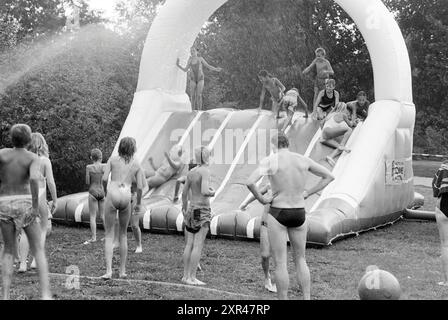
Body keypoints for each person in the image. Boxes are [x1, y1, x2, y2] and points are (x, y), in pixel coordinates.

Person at [246, 132, 334, 300]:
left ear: (273, 145)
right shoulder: (302, 159)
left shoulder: (271, 161)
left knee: (280, 262)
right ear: (287, 144)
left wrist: (262, 198)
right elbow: (329, 176)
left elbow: (250, 182)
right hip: (299, 211)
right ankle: (306, 298)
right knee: (301, 259)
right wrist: (309, 192)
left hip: (279, 211)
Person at [0, 124, 52, 299]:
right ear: (28, 139)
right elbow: (33, 179)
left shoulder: (2, 154)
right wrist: (36, 206)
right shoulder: (32, 157)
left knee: (7, 249)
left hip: (4, 203)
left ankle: (5, 295)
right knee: (38, 249)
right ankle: (45, 294)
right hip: (24, 201)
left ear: (11, 138)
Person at [101, 137, 144, 279]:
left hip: (113, 191)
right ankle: (122, 271)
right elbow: (139, 186)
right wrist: (138, 203)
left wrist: (105, 190)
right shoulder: (136, 163)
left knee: (109, 234)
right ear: (133, 148)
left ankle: (108, 271)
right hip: (126, 194)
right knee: (124, 234)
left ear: (120, 147)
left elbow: (104, 178)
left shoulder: (112, 160)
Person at [18, 132, 57, 273]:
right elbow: (51, 182)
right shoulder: (45, 161)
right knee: (42, 230)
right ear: (42, 144)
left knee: (24, 231)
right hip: (40, 196)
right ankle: (35, 260)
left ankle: (22, 264)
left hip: (25, 196)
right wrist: (55, 200)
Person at [181, 146, 215, 286]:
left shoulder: (191, 172)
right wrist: (212, 192)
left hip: (191, 208)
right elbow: (204, 190)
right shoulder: (205, 171)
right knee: (198, 245)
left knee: (189, 244)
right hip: (202, 210)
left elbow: (184, 193)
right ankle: (192, 277)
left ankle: (185, 276)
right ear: (207, 157)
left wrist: (184, 208)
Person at [240, 183, 277, 293]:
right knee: (265, 255)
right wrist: (245, 203)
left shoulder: (287, 187)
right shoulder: (269, 185)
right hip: (265, 224)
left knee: (277, 256)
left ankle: (275, 282)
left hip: (280, 226)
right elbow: (257, 193)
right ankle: (267, 277)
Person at [320, 102, 355, 167]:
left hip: (323, 137)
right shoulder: (342, 115)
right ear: (344, 108)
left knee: (341, 149)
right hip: (328, 132)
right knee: (349, 129)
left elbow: (321, 123)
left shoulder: (331, 114)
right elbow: (351, 125)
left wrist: (324, 132)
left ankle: (330, 156)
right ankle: (342, 145)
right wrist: (353, 116)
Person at [83, 148, 105, 245]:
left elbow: (87, 182)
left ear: (92, 157)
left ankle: (94, 237)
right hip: (102, 192)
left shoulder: (89, 167)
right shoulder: (104, 166)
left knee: (93, 216)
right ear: (100, 157)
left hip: (93, 192)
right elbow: (106, 179)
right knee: (103, 216)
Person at [432, 159, 448, 286]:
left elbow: (436, 186)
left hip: (444, 205)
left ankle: (447, 281)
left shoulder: (445, 165)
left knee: (445, 245)